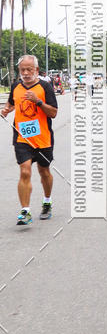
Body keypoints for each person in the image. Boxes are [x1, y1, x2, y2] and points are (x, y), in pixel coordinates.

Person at [1, 54, 58, 225]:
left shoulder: (45, 87)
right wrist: (6, 109)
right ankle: (25, 211)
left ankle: (47, 202)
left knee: (44, 171)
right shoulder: (16, 86)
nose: (25, 73)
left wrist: (38, 101)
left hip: (43, 139)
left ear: (37, 70)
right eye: (22, 70)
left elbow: (53, 113)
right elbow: (11, 103)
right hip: (22, 138)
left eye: (29, 69)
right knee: (25, 171)